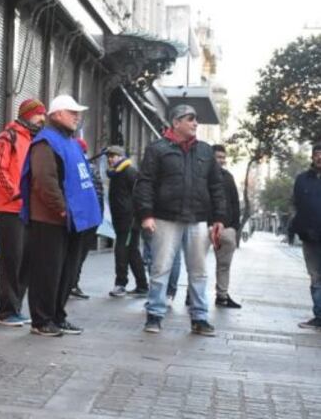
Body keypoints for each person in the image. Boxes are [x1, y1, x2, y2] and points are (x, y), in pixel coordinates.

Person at [134, 104, 226, 336]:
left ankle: (200, 318)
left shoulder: (205, 151)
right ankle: (154, 315)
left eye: (196, 119)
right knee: (160, 268)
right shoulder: (157, 149)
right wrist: (146, 215)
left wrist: (218, 218)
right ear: (176, 122)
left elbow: (216, 186)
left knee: (199, 271)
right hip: (165, 218)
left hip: (198, 220)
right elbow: (145, 183)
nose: (196, 123)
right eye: (190, 119)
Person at [20, 95, 102, 337]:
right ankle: (41, 320)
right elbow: (45, 180)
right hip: (51, 219)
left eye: (78, 112)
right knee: (47, 272)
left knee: (66, 272)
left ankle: (57, 316)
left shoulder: (71, 142)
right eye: (71, 112)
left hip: (73, 221)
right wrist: (62, 208)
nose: (77, 116)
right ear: (56, 114)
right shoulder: (46, 142)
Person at [0, 98, 45, 326]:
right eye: (39, 114)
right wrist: (16, 194)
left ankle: (16, 308)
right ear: (28, 114)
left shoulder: (33, 140)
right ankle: (7, 311)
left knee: (25, 262)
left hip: (28, 211)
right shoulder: (7, 137)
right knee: (11, 261)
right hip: (9, 209)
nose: (42, 118)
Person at [105, 145, 148, 297]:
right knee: (132, 251)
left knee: (121, 250)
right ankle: (142, 285)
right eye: (109, 157)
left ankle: (121, 284)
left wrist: (137, 216)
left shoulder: (129, 172)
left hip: (129, 220)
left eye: (113, 156)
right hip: (121, 219)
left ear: (121, 156)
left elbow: (139, 195)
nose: (110, 159)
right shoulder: (116, 173)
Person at [291, 143, 321, 330]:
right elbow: (297, 205)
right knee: (315, 277)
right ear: (312, 157)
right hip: (310, 237)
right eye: (317, 154)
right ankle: (319, 316)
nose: (320, 157)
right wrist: (300, 228)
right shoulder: (302, 179)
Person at [69, 137, 103, 300]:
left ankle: (70, 284)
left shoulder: (76, 166)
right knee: (79, 255)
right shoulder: (92, 168)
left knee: (73, 253)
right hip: (91, 218)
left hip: (80, 218)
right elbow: (98, 195)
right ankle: (73, 283)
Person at [212, 144, 242, 309]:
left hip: (227, 227)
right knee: (197, 264)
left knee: (224, 265)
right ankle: (191, 294)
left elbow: (235, 202)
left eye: (223, 157)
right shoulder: (201, 175)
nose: (221, 160)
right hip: (205, 225)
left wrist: (234, 227)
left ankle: (222, 296)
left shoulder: (228, 177)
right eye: (218, 157)